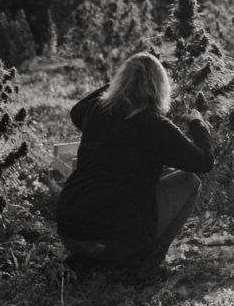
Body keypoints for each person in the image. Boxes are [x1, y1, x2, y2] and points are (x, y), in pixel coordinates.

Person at [56, 52, 214, 282]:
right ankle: (144, 266)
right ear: (161, 88)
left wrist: (128, 78)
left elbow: (76, 109)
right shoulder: (156, 127)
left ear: (121, 81)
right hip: (114, 238)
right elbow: (204, 162)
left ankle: (89, 260)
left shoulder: (96, 111)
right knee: (190, 182)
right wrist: (198, 124)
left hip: (70, 230)